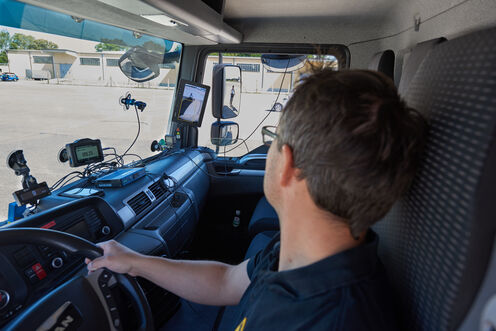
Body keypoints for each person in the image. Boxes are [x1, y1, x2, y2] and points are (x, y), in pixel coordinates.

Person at [87, 69, 427, 330]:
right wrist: (134, 261)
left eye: (274, 141)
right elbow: (228, 281)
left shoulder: (331, 318)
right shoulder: (306, 256)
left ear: (288, 165)